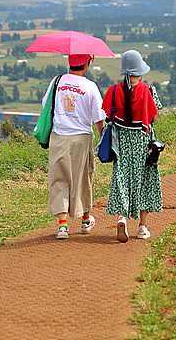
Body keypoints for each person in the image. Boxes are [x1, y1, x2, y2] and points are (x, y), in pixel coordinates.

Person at [102, 50, 163, 243]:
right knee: (144, 181)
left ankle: (121, 218)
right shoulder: (148, 90)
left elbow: (107, 116)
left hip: (121, 144)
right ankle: (142, 228)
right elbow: (154, 116)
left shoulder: (113, 91)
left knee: (121, 179)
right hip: (142, 144)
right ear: (139, 71)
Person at [43, 53, 106, 239]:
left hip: (59, 136)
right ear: (87, 64)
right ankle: (85, 221)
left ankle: (62, 226)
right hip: (82, 138)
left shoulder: (57, 81)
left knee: (59, 178)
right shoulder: (90, 86)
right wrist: (103, 138)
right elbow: (98, 117)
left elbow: (45, 104)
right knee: (82, 178)